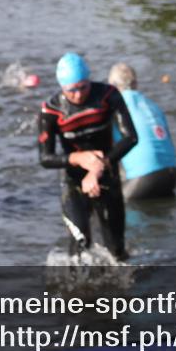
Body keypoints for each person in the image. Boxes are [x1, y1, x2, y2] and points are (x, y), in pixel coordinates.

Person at [38, 53, 138, 260]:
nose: (78, 95)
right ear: (62, 87)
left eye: (83, 87)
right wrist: (79, 159)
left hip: (107, 173)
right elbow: (45, 158)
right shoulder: (52, 110)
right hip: (73, 180)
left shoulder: (108, 95)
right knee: (80, 244)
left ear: (89, 80)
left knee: (116, 250)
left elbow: (131, 138)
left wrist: (99, 166)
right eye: (71, 90)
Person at [107, 63, 176, 200]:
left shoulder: (116, 106)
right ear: (136, 83)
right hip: (171, 175)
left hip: (143, 179)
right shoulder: (153, 105)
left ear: (112, 86)